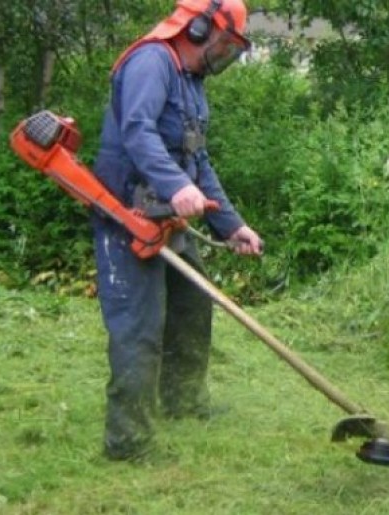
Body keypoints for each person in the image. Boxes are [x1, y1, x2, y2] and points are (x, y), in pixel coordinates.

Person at [91, 0, 263, 461]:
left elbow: (197, 160)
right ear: (200, 26)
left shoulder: (192, 84)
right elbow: (138, 131)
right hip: (126, 214)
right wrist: (177, 185)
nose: (225, 55)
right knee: (139, 328)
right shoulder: (153, 62)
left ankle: (184, 403)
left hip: (164, 215)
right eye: (226, 44)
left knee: (191, 307)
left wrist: (232, 226)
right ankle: (128, 443)